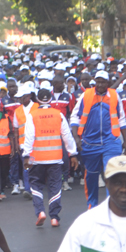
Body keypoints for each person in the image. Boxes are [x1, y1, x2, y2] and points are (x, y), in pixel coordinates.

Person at [22, 84, 79, 227]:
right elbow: (67, 135)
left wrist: (26, 156)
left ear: (37, 100)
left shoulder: (32, 115)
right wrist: (72, 153)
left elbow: (29, 137)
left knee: (36, 185)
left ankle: (40, 211)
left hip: (37, 159)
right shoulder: (58, 114)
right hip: (55, 158)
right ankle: (54, 217)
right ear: (51, 99)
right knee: (55, 186)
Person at [71, 70, 126, 206]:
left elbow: (121, 118)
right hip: (90, 143)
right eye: (98, 81)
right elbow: (74, 116)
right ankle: (92, 206)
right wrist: (76, 138)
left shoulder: (114, 96)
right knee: (91, 176)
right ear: (94, 81)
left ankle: (111, 206)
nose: (100, 84)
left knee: (112, 174)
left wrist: (125, 140)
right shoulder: (86, 95)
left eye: (103, 81)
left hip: (111, 141)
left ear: (108, 82)